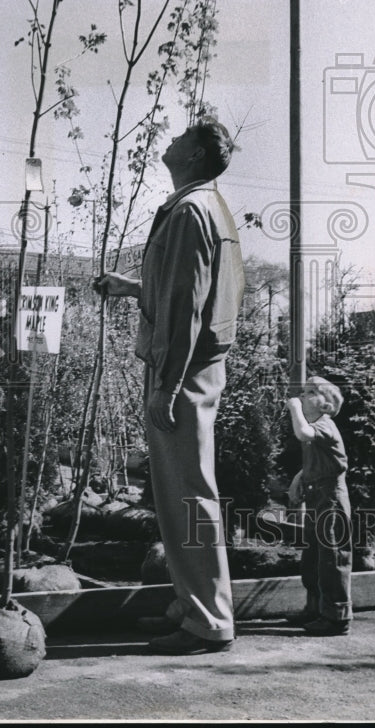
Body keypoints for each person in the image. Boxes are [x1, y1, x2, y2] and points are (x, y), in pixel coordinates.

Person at [98, 118, 245, 655]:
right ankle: (194, 606)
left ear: (195, 156)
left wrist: (166, 383)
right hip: (196, 369)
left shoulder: (188, 209)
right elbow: (189, 290)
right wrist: (133, 287)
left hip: (181, 375)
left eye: (185, 136)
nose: (174, 138)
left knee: (188, 497)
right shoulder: (208, 206)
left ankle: (209, 621)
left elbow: (186, 303)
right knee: (184, 493)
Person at [287, 376, 353, 636]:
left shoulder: (325, 426)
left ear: (325, 406)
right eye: (302, 392)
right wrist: (298, 478)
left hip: (331, 498)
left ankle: (337, 616)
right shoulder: (315, 428)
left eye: (310, 392)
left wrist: (293, 408)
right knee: (313, 555)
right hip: (317, 497)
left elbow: (302, 432)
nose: (302, 396)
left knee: (332, 555)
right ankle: (315, 608)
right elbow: (315, 461)